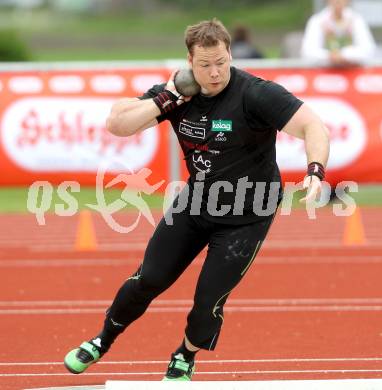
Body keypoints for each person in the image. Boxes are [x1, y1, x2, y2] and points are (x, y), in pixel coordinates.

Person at [64, 18, 330, 381]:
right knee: (149, 279)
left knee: (208, 301)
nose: (215, 72)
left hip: (249, 212)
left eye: (221, 62)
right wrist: (166, 98)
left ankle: (185, 355)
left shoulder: (255, 93)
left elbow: (313, 125)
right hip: (197, 201)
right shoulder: (176, 93)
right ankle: (102, 340)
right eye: (205, 65)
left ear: (229, 55)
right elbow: (117, 124)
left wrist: (315, 169)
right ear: (190, 61)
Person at [301, 0, 376, 66]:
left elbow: (368, 50)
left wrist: (345, 55)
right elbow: (308, 52)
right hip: (323, 76)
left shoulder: (356, 20)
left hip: (353, 75)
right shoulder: (317, 21)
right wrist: (329, 56)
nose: (337, 1)